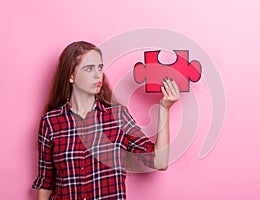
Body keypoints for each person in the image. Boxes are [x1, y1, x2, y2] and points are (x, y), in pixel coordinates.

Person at [32, 41, 180, 200]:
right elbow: (46, 183)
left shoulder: (118, 116)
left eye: (100, 67)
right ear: (71, 76)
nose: (98, 75)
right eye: (89, 69)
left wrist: (164, 109)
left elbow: (160, 162)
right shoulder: (51, 122)